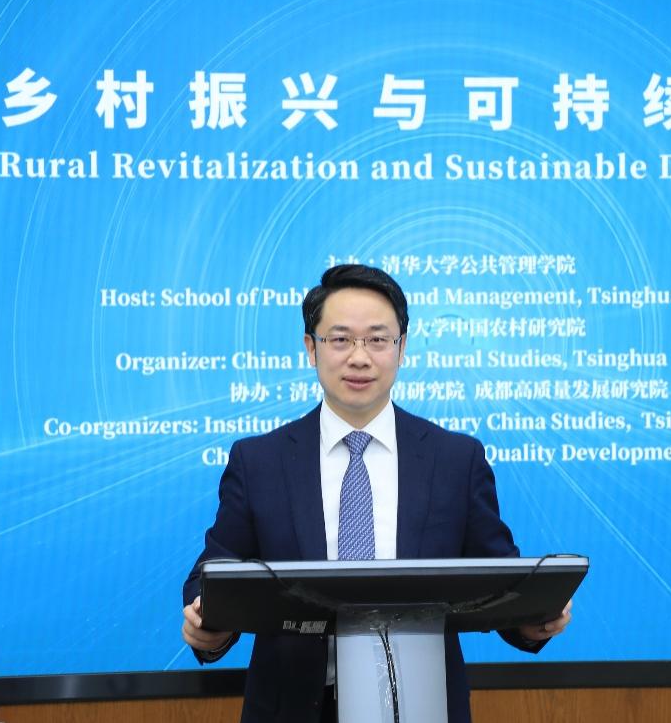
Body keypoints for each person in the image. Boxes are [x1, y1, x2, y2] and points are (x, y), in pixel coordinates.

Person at [182, 264, 572, 722]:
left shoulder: (455, 459)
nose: (359, 357)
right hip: (295, 708)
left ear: (401, 348)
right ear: (311, 348)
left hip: (423, 707)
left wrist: (533, 618)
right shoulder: (259, 461)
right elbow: (214, 573)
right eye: (340, 339)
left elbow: (500, 578)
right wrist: (210, 626)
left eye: (377, 340)